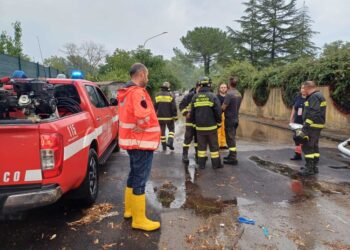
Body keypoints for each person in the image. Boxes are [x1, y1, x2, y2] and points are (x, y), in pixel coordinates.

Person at [117, 63, 161, 231]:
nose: (147, 78)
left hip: (131, 141)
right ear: (141, 74)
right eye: (147, 75)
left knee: (134, 174)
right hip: (141, 142)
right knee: (140, 178)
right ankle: (139, 219)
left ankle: (129, 210)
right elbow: (144, 114)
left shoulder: (125, 93)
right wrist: (143, 124)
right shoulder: (137, 93)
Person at [190, 77, 223, 169]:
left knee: (201, 148)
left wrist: (194, 124)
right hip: (211, 127)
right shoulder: (213, 96)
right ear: (209, 84)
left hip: (199, 128)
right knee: (214, 147)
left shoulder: (195, 97)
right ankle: (216, 165)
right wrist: (219, 122)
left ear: (200, 85)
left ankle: (201, 165)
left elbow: (192, 113)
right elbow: (218, 111)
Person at [296, 81, 326, 176]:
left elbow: (313, 113)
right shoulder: (318, 96)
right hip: (316, 125)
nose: (303, 90)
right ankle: (313, 167)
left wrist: (305, 127)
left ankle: (309, 169)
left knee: (307, 145)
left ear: (308, 87)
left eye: (304, 88)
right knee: (314, 146)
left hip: (312, 125)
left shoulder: (314, 97)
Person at [222, 77, 242, 165]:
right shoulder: (239, 94)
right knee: (232, 137)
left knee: (230, 138)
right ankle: (231, 154)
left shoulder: (229, 94)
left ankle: (233, 158)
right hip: (236, 118)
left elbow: (223, 107)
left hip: (229, 119)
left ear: (229, 84)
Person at [179, 83, 200, 163]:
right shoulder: (189, 96)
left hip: (199, 121)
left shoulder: (203, 95)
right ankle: (184, 155)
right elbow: (181, 105)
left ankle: (198, 155)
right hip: (190, 121)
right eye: (199, 87)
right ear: (197, 87)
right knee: (188, 138)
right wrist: (185, 113)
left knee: (198, 139)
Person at [155, 82, 177, 151]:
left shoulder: (157, 95)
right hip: (169, 117)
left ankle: (164, 146)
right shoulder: (170, 95)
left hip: (160, 117)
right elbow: (173, 107)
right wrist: (175, 116)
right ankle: (170, 142)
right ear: (168, 88)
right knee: (171, 129)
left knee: (162, 132)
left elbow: (155, 106)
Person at [289, 85, 307, 160]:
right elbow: (294, 108)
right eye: (302, 88)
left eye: (305, 88)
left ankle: (310, 156)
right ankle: (298, 155)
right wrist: (291, 118)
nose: (303, 90)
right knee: (297, 138)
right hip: (297, 122)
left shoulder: (310, 99)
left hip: (305, 122)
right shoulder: (298, 97)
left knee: (303, 138)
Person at [217, 83, 228, 149]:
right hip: (219, 115)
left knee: (224, 130)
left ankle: (223, 144)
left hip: (226, 116)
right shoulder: (216, 97)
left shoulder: (228, 96)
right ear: (219, 88)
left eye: (224, 87)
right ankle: (218, 144)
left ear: (227, 88)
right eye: (222, 87)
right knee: (218, 130)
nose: (223, 88)